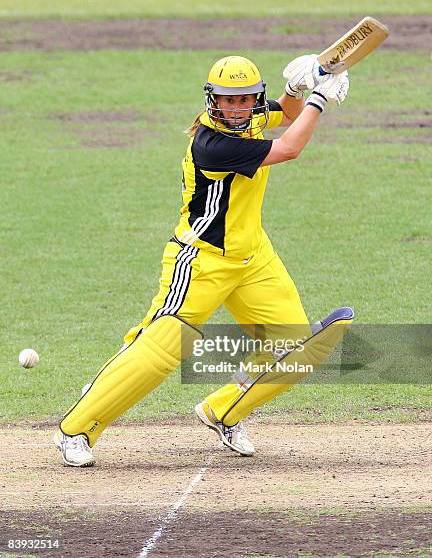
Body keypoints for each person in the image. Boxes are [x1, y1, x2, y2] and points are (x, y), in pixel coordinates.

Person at [54, 54, 353, 467]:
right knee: (160, 347)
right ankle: (77, 428)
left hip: (253, 256)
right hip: (202, 259)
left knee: (292, 346)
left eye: (245, 100)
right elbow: (289, 147)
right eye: (228, 101)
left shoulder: (247, 118)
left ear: (253, 99)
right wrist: (320, 97)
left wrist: (298, 89)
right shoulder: (212, 143)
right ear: (213, 101)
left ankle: (224, 411)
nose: (236, 108)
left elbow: (285, 116)